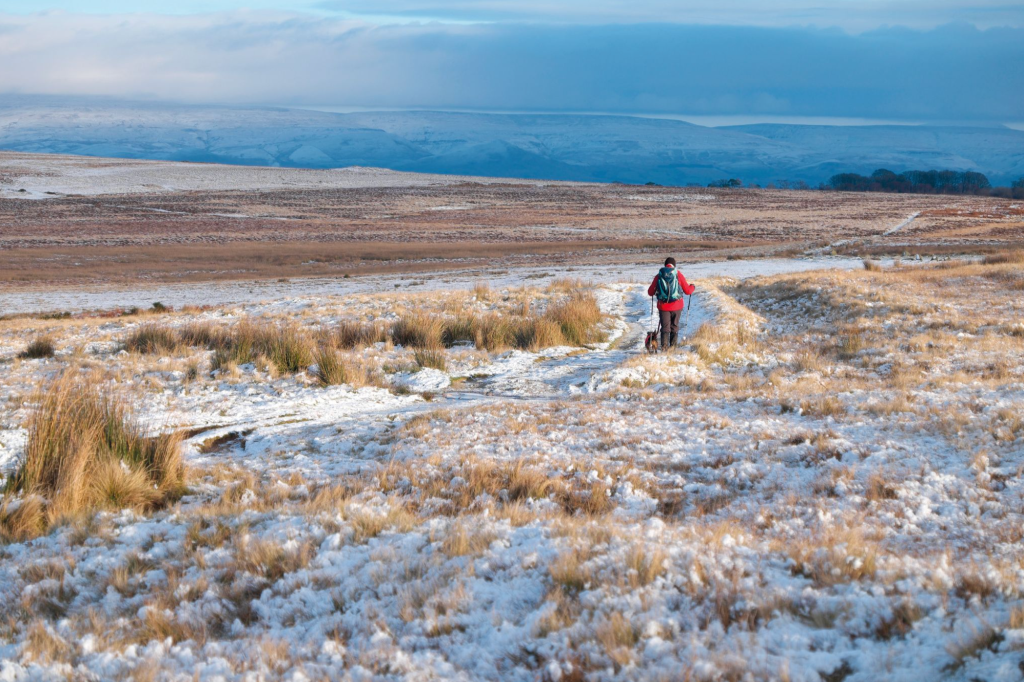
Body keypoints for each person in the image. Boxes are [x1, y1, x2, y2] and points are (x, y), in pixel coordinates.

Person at [647, 257, 695, 350]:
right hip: (677, 305)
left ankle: (664, 348)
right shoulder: (678, 274)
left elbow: (650, 292)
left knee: (665, 328)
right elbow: (688, 291)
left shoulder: (659, 275)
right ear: (674, 265)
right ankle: (673, 349)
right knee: (674, 326)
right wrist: (693, 286)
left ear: (665, 265)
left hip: (663, 306)